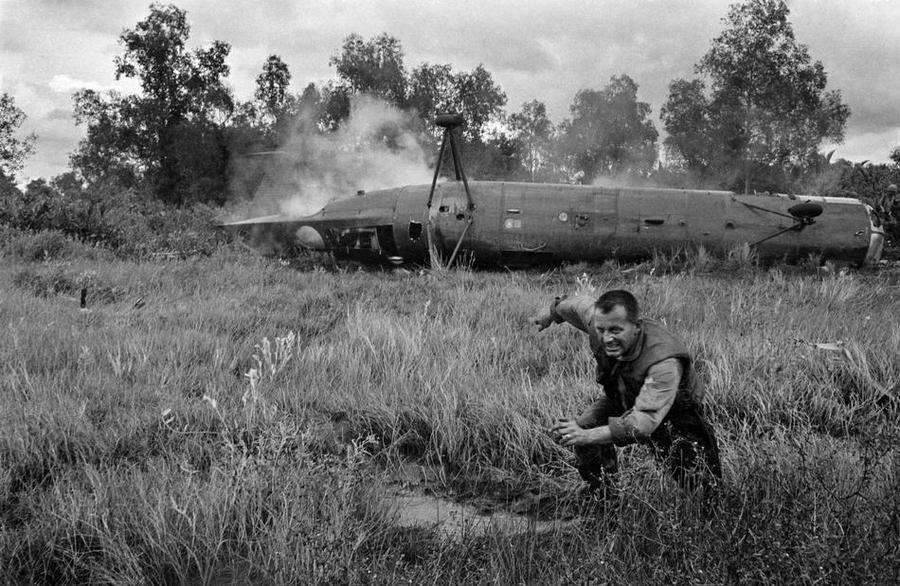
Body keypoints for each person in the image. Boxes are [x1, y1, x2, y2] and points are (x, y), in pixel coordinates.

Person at [534, 289, 721, 495]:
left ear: (637, 327)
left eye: (616, 330)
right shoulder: (599, 322)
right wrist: (551, 312)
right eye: (601, 330)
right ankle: (604, 499)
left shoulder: (664, 362)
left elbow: (642, 423)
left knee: (702, 485)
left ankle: (709, 515)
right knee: (585, 424)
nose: (607, 339)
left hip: (673, 413)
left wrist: (586, 436)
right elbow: (577, 306)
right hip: (622, 396)